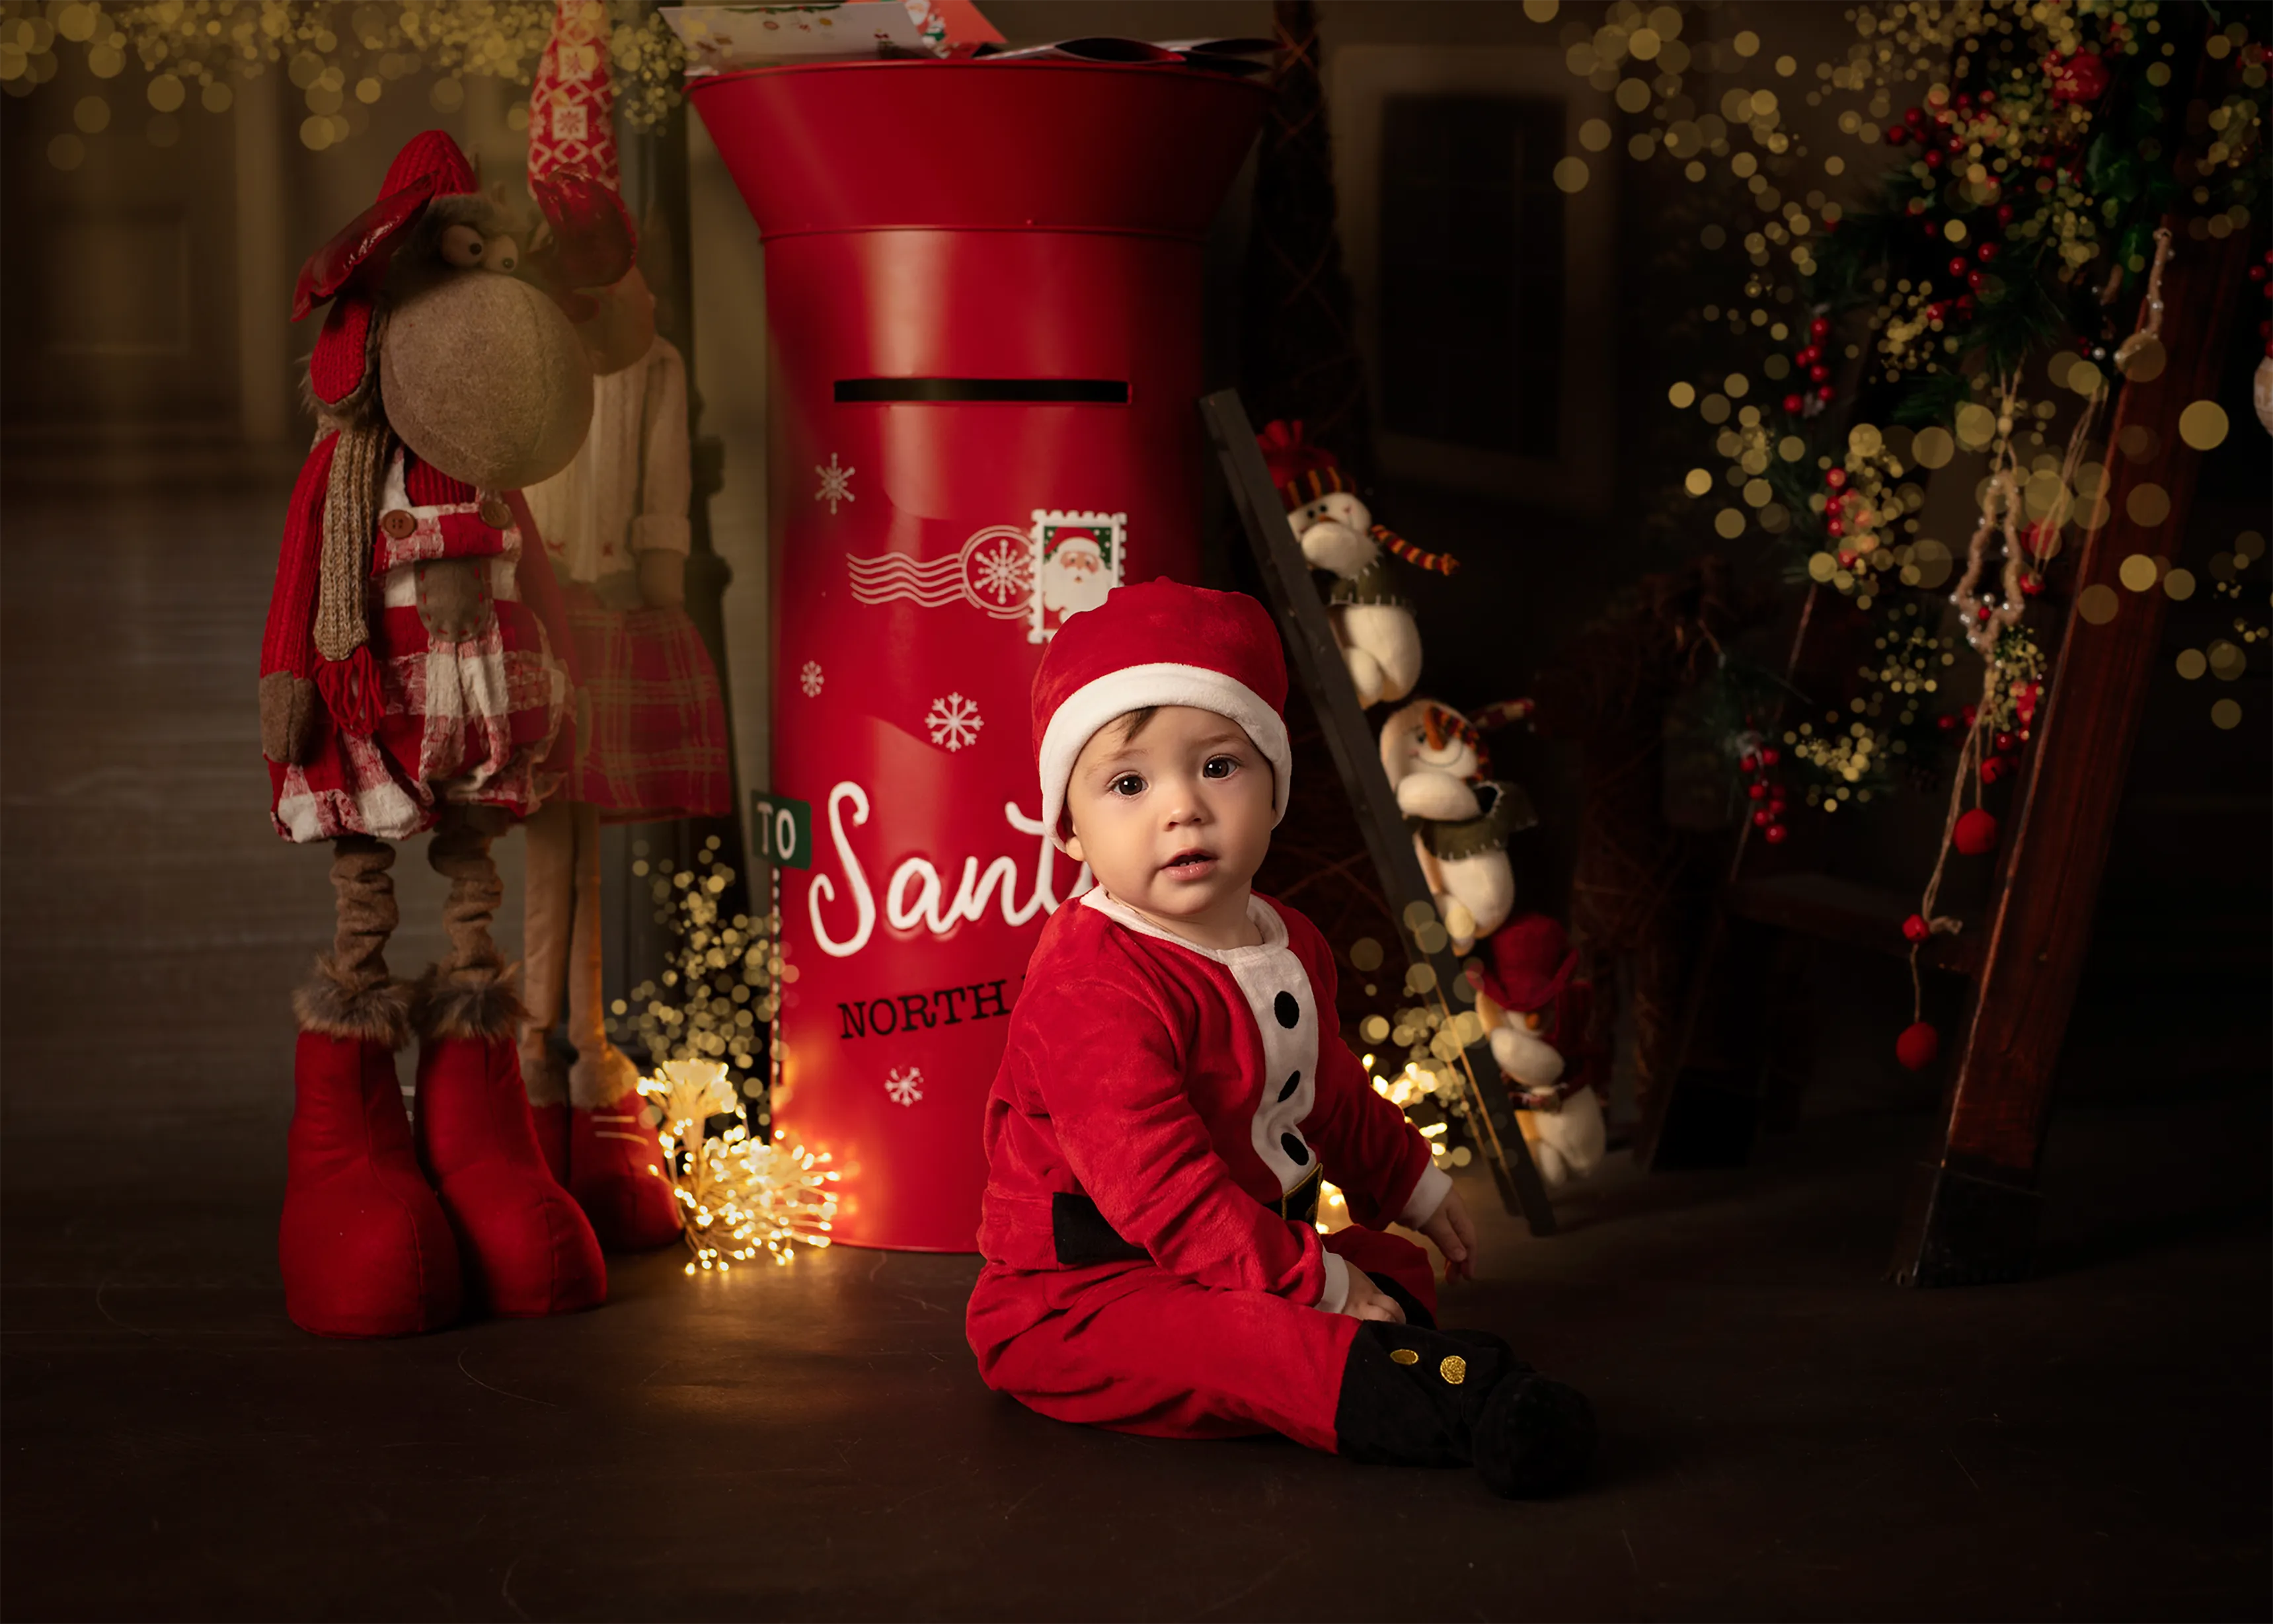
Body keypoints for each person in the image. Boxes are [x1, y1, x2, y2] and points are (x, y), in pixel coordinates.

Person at [964, 579, 1594, 1497]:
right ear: (1070, 831)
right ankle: (1461, 1404)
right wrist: (1318, 1286)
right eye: (1130, 784)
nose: (1182, 808)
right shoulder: (1091, 985)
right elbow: (1163, 1191)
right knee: (1259, 1342)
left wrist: (1407, 1184)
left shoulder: (1287, 938)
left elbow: (1328, 1088)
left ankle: (1384, 1348)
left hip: (1236, 1250)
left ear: (1274, 789)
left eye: (1219, 766)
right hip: (1086, 1292)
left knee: (1389, 1263)